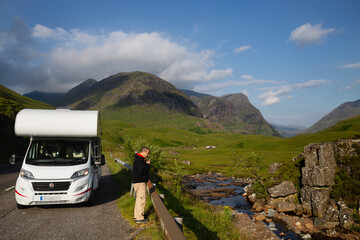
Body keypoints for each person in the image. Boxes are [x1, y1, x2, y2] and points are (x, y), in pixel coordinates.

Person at [132, 147, 150, 223]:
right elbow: (141, 171)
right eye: (147, 153)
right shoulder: (140, 159)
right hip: (140, 182)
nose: (148, 155)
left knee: (138, 199)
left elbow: (140, 169)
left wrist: (145, 164)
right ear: (143, 152)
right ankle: (140, 218)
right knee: (142, 200)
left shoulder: (139, 159)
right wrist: (148, 165)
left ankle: (137, 216)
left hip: (137, 181)